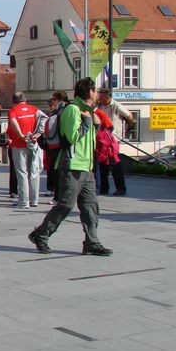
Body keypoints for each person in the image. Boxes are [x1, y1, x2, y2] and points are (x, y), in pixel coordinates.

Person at [28, 78, 112, 256]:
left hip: (86, 166)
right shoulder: (73, 110)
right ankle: (41, 234)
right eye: (95, 90)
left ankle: (92, 242)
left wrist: (95, 125)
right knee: (65, 205)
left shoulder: (86, 111)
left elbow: (88, 139)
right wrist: (89, 123)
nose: (97, 94)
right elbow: (72, 137)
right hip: (72, 165)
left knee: (90, 207)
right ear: (88, 92)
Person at [97, 88, 133, 196]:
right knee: (102, 164)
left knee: (115, 164)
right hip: (102, 139)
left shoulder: (116, 106)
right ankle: (104, 188)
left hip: (113, 139)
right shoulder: (100, 106)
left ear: (107, 97)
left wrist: (129, 127)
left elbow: (129, 115)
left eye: (102, 97)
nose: (100, 98)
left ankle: (121, 188)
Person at [7, 92, 40, 208]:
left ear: (13, 101)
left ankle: (24, 201)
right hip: (33, 143)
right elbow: (44, 120)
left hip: (18, 144)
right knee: (34, 172)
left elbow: (13, 122)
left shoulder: (13, 111)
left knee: (22, 173)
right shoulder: (34, 109)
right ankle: (34, 200)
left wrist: (21, 135)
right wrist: (38, 134)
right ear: (25, 99)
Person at [45, 91, 68, 203]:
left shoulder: (60, 111)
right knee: (58, 172)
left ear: (59, 100)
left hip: (59, 145)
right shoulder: (63, 110)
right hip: (60, 144)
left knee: (58, 173)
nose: (52, 102)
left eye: (54, 99)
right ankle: (59, 196)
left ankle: (58, 197)